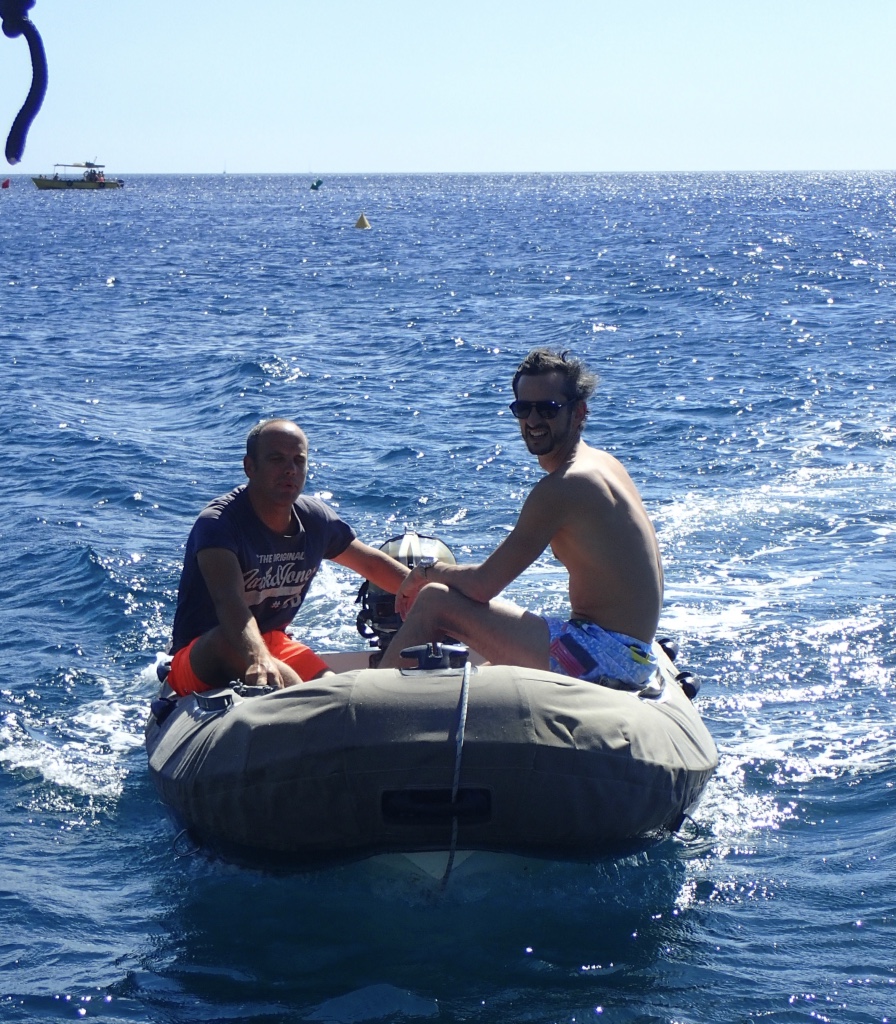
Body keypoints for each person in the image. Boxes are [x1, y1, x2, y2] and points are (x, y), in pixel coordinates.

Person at [379, 349, 664, 689]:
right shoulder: (603, 464)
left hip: (605, 656)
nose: (533, 420)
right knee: (478, 648)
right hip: (630, 653)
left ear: (579, 412)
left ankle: (367, 703)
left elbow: (483, 586)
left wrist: (424, 572)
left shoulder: (565, 486)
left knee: (434, 601)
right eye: (523, 409)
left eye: (548, 409)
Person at [167, 418, 409, 696]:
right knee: (228, 641)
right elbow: (229, 604)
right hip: (201, 655)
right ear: (249, 467)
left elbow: (371, 565)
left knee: (334, 690)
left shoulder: (315, 519)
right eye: (277, 459)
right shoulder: (218, 523)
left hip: (273, 641)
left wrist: (420, 587)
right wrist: (259, 658)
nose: (290, 469)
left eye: (298, 460)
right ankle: (304, 704)